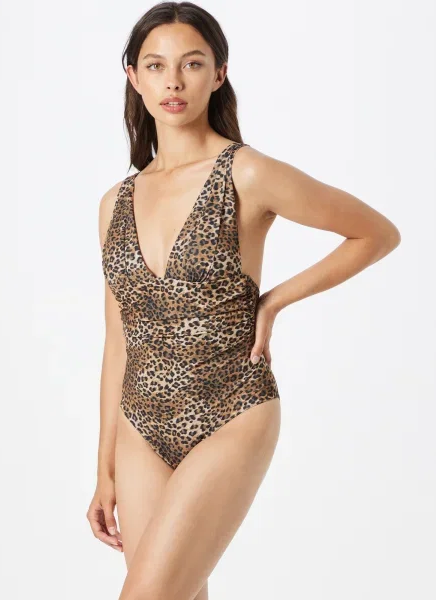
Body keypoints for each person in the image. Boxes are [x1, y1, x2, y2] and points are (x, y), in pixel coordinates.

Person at [87, 2, 401, 599]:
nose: (173, 81)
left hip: (231, 408)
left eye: (191, 64)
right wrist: (103, 467)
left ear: (219, 73)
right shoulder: (114, 203)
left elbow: (376, 234)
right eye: (155, 66)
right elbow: (117, 339)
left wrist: (274, 301)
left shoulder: (246, 172)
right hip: (140, 426)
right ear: (133, 77)